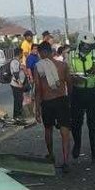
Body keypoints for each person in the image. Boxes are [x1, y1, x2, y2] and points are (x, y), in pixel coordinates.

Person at [68, 32, 95, 164]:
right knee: (76, 123)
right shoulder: (70, 55)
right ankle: (77, 144)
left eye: (91, 46)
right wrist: (73, 78)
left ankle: (94, 154)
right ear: (80, 44)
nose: (88, 48)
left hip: (93, 93)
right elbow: (66, 73)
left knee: (93, 124)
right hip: (77, 92)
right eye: (86, 46)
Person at [33, 42, 72, 173]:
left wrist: (37, 109)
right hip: (61, 101)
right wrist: (70, 100)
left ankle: (51, 155)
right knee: (64, 130)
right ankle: (66, 160)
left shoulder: (38, 67)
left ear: (42, 52)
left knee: (48, 129)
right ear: (51, 51)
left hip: (47, 102)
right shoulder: (62, 65)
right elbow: (69, 84)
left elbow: (38, 90)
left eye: (39, 53)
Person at [8, 46, 28, 123]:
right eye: (21, 53)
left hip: (18, 84)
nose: (22, 55)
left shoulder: (17, 61)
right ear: (19, 54)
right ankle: (16, 117)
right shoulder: (15, 62)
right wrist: (19, 83)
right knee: (18, 100)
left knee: (20, 100)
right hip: (16, 85)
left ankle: (18, 116)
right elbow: (16, 74)